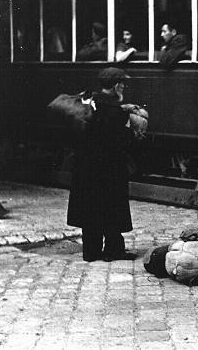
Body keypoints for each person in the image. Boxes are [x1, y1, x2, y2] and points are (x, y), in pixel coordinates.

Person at [67, 67, 138, 262]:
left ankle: (91, 251)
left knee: (91, 206)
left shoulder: (89, 104)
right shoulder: (117, 113)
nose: (123, 87)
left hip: (85, 167)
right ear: (116, 86)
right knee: (112, 205)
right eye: (122, 83)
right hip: (109, 168)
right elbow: (123, 142)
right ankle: (113, 250)